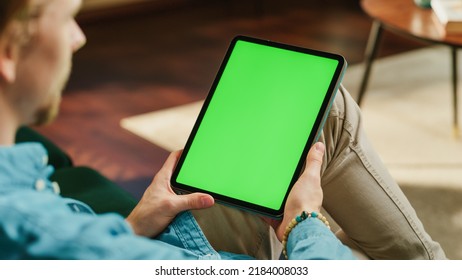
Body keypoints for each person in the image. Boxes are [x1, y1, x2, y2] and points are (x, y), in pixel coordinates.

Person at [0, 0, 446, 260]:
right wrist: (304, 222)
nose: (78, 37)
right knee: (328, 118)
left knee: (320, 111)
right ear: (9, 51)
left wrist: (135, 223)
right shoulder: (29, 223)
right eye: (66, 19)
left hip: (164, 236)